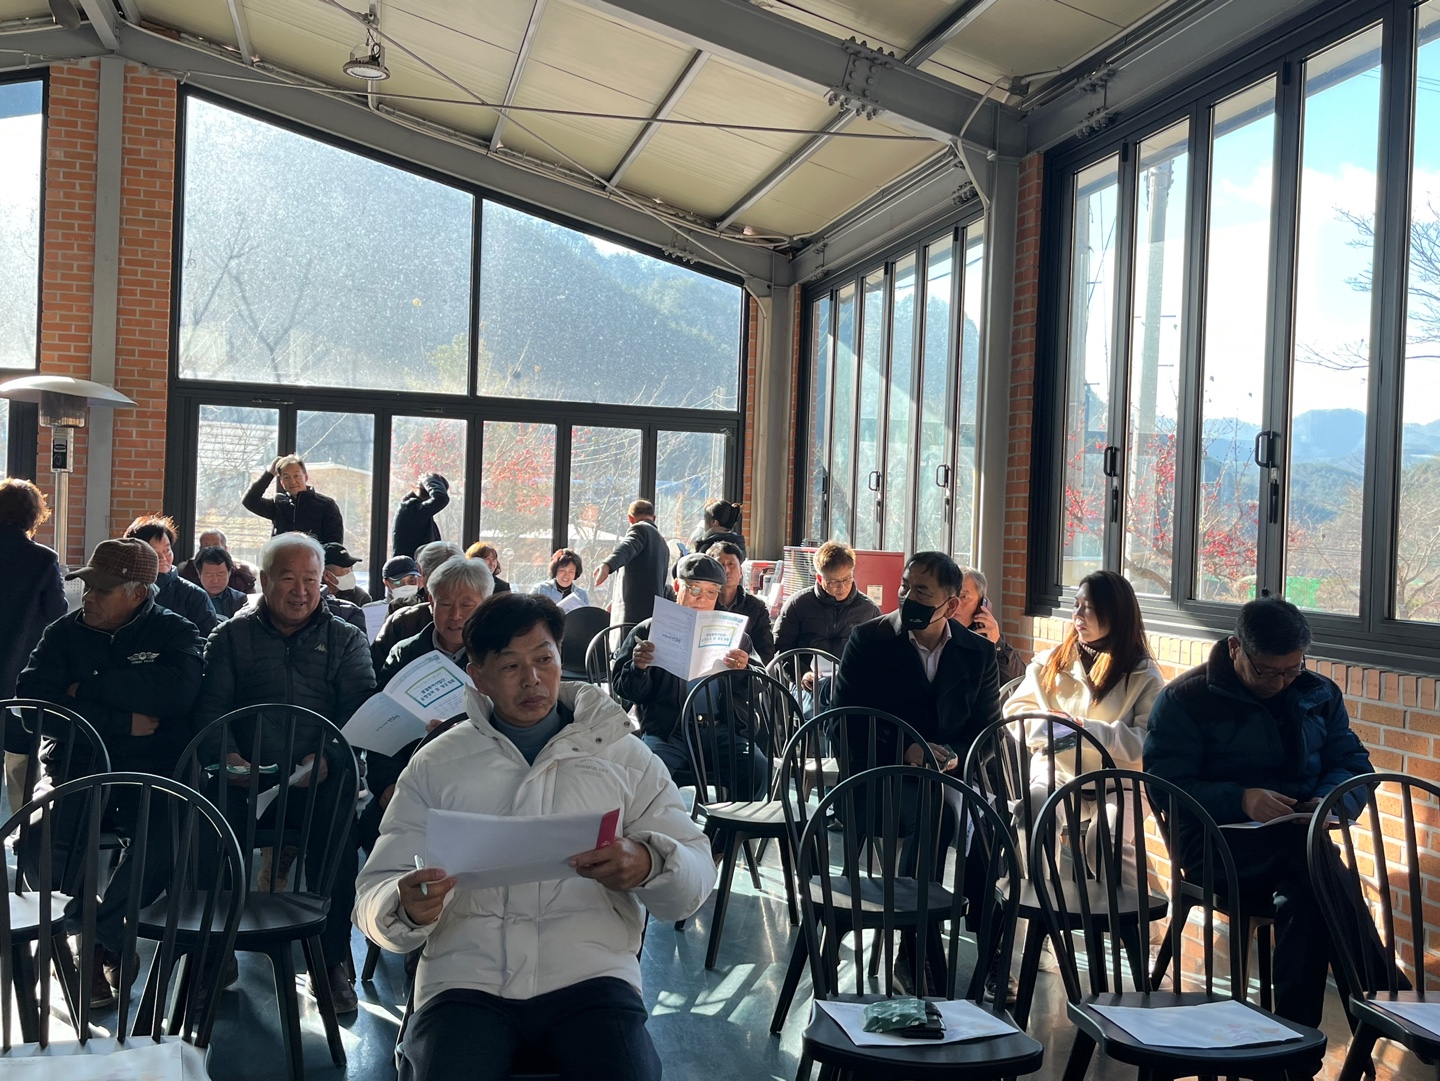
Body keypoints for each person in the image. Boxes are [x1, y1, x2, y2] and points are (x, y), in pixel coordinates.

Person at [354, 592, 714, 1081]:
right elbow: (375, 889)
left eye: (544, 660)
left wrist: (650, 863)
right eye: (509, 666)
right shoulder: (437, 763)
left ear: (560, 659)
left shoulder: (622, 755)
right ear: (477, 677)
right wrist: (403, 906)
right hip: (466, 977)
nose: (532, 680)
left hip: (591, 973)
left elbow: (695, 871)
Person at [1144, 597, 1379, 1036]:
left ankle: (1294, 1042)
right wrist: (1241, 799)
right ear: (1236, 648)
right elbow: (1165, 785)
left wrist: (1328, 801)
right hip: (1215, 845)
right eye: (1267, 671)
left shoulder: (1317, 693)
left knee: (1306, 891)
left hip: (1296, 842)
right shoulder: (1186, 699)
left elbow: (1353, 764)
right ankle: (1382, 996)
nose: (1280, 682)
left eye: (1292, 669)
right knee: (1311, 860)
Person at [193, 532, 376, 1014]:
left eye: (311, 580)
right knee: (206, 832)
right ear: (265, 580)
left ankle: (329, 960)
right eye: (288, 579)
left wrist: (329, 757)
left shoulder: (346, 638)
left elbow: (360, 715)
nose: (301, 591)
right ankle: (213, 952)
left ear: (323, 582)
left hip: (319, 777)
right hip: (245, 776)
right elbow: (210, 710)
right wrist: (229, 756)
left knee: (339, 838)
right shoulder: (231, 637)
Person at [17, 538, 204, 1005]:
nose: (90, 597)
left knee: (168, 842)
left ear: (138, 593)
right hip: (74, 766)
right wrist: (119, 720)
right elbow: (33, 705)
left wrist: (85, 687)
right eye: (88, 586)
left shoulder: (174, 631)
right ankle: (106, 938)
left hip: (154, 768)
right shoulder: (63, 633)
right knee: (37, 843)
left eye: (103, 589)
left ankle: (99, 934)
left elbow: (176, 695)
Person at [835, 551, 1002, 995]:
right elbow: (844, 725)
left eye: (921, 592)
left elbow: (987, 733)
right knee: (935, 811)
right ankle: (913, 948)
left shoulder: (977, 653)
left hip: (948, 776)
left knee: (989, 823)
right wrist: (904, 749)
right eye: (905, 587)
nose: (907, 597)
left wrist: (953, 756)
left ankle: (992, 949)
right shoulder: (869, 640)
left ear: (951, 604)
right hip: (878, 779)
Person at [1005, 570, 1164, 889]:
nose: (1077, 615)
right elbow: (1015, 712)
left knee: (1105, 841)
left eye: (1088, 607)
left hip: (1121, 781)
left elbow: (1149, 742)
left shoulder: (1143, 673)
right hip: (1058, 774)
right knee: (1032, 816)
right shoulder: (1052, 662)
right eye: (1075, 605)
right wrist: (1061, 734)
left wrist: (1086, 731)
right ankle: (1041, 903)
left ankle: (1134, 918)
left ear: (1115, 614)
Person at [357, 556, 494, 854]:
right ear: (430, 601)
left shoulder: (497, 657)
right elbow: (383, 727)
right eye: (445, 603)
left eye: (467, 605)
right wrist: (387, 785)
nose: (456, 615)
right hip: (410, 773)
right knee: (371, 829)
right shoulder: (405, 653)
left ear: (484, 606)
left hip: (478, 781)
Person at [610, 553, 761, 796]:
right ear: (677, 586)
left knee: (757, 767)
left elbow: (761, 683)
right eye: (695, 589)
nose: (702, 599)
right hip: (669, 730)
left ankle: (731, 822)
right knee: (648, 774)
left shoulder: (734, 634)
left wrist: (745, 669)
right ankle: (662, 822)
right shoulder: (648, 629)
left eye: (711, 592)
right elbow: (623, 690)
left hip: (721, 728)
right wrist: (638, 668)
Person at [0, 478, 66, 816]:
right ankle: (22, 838)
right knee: (21, 769)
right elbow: (57, 614)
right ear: (34, 516)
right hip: (17, 680)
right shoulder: (42, 559)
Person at [773, 541, 880, 711]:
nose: (842, 587)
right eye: (833, 582)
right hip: (808, 684)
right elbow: (782, 648)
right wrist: (802, 674)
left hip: (851, 684)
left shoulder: (868, 610)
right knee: (819, 706)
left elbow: (878, 654)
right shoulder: (798, 605)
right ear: (819, 578)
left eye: (847, 579)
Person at [372, 542, 464, 671]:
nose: (455, 615)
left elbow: (377, 668)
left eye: (467, 604)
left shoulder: (402, 616)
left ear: (420, 571)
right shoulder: (402, 615)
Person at [123, 515, 218, 637]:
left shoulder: (193, 596)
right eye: (154, 552)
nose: (163, 558)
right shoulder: (121, 591)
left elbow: (205, 641)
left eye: (167, 550)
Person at [594, 499, 668, 626]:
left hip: (631, 617)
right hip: (651, 617)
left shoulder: (640, 528)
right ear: (654, 518)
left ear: (630, 518)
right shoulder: (663, 544)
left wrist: (607, 565)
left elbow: (627, 547)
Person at [242, 454, 343, 544]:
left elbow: (334, 545)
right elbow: (249, 501)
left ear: (306, 477)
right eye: (286, 477)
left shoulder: (326, 505)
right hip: (281, 558)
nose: (292, 481)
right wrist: (270, 473)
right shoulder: (278, 504)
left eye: (296, 475)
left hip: (314, 559)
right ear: (282, 482)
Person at [708, 540, 774, 664]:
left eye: (731, 564)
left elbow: (766, 652)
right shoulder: (704, 603)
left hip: (743, 673)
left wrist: (747, 664)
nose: (726, 570)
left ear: (741, 572)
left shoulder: (756, 607)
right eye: (720, 565)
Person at [956, 567, 1025, 684]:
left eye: (963, 597)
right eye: (951, 596)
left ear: (981, 603)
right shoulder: (935, 632)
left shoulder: (984, 634)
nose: (955, 604)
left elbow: (1017, 681)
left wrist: (998, 644)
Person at [178, 528, 257, 595]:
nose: (211, 551)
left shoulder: (242, 574)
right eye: (206, 547)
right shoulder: (187, 571)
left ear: (226, 549)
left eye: (216, 546)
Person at [392, 473, 450, 559]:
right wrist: (428, 479)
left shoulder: (414, 511)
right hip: (411, 566)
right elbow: (441, 498)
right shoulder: (412, 510)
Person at [193, 545, 250, 620]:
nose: (215, 580)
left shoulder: (239, 600)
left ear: (229, 573)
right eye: (209, 575)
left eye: (220, 574)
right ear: (199, 573)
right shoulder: (188, 598)